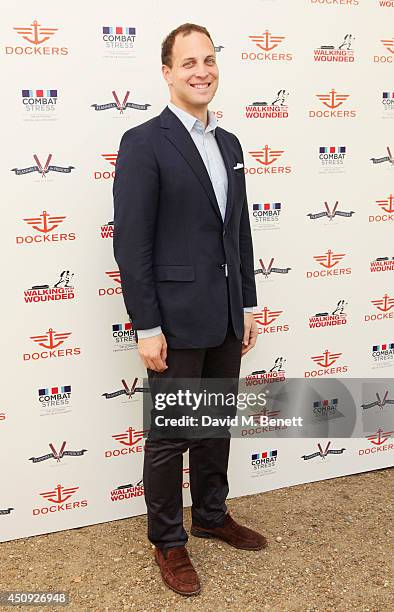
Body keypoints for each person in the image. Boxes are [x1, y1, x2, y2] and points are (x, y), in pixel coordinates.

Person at [113, 23, 267, 597]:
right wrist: (146, 325)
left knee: (213, 427)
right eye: (188, 63)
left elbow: (239, 232)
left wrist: (248, 301)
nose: (201, 71)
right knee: (172, 433)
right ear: (167, 72)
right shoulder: (144, 142)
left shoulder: (229, 144)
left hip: (226, 311)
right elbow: (132, 243)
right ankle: (169, 541)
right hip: (173, 316)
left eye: (209, 60)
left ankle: (210, 514)